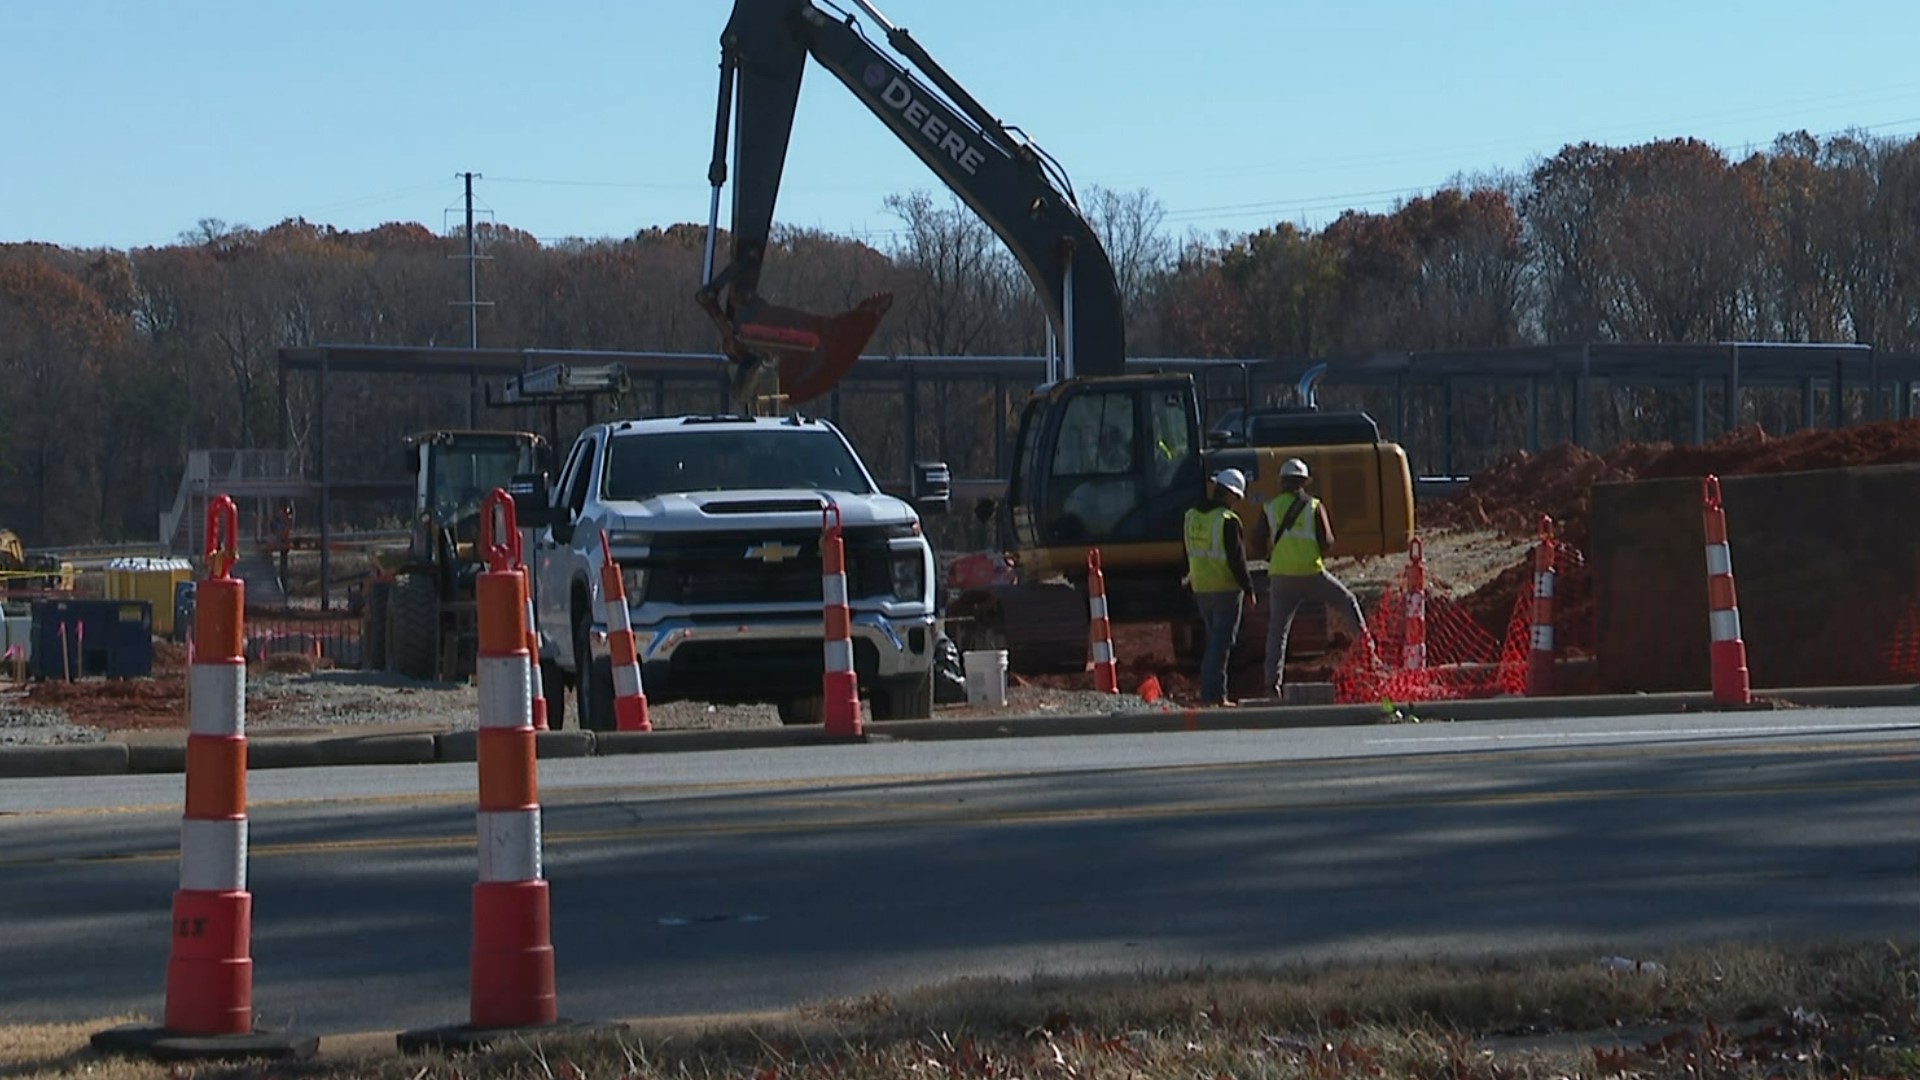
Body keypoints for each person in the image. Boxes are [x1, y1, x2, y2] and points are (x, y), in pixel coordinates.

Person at [1250, 457, 1375, 697]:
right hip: (1311, 573)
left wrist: (1272, 552)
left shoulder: (1270, 507)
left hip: (1281, 578)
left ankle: (1271, 685)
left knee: (1278, 631)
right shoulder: (1314, 506)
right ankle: (1371, 657)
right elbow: (1327, 542)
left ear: (1282, 482)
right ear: (1304, 482)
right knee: (1347, 601)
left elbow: (1256, 541)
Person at [1183, 468, 1257, 706]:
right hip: (1225, 588)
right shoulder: (1227, 521)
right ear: (1231, 495)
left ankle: (1211, 691)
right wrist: (1249, 588)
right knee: (1221, 643)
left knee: (1213, 640)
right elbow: (1237, 559)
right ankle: (1214, 695)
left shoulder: (1192, 515)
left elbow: (1187, 551)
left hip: (1201, 587)